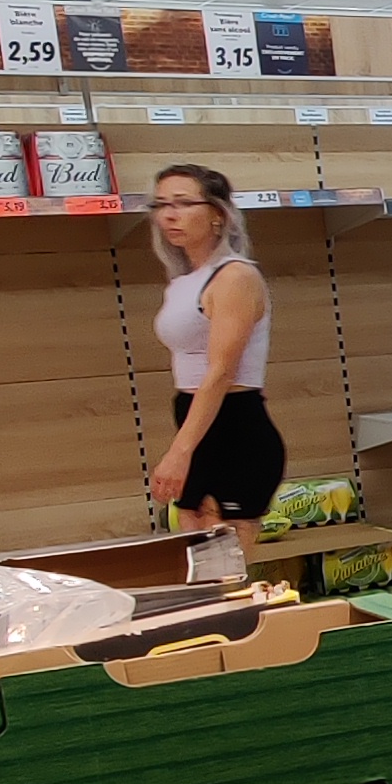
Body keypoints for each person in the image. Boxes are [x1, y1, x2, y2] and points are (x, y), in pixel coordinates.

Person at [147, 164, 287, 520]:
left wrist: (179, 453)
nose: (169, 215)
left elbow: (221, 371)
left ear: (218, 214)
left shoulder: (235, 276)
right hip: (194, 421)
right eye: (161, 205)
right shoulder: (183, 282)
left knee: (224, 553)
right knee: (196, 550)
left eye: (183, 203)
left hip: (234, 427)